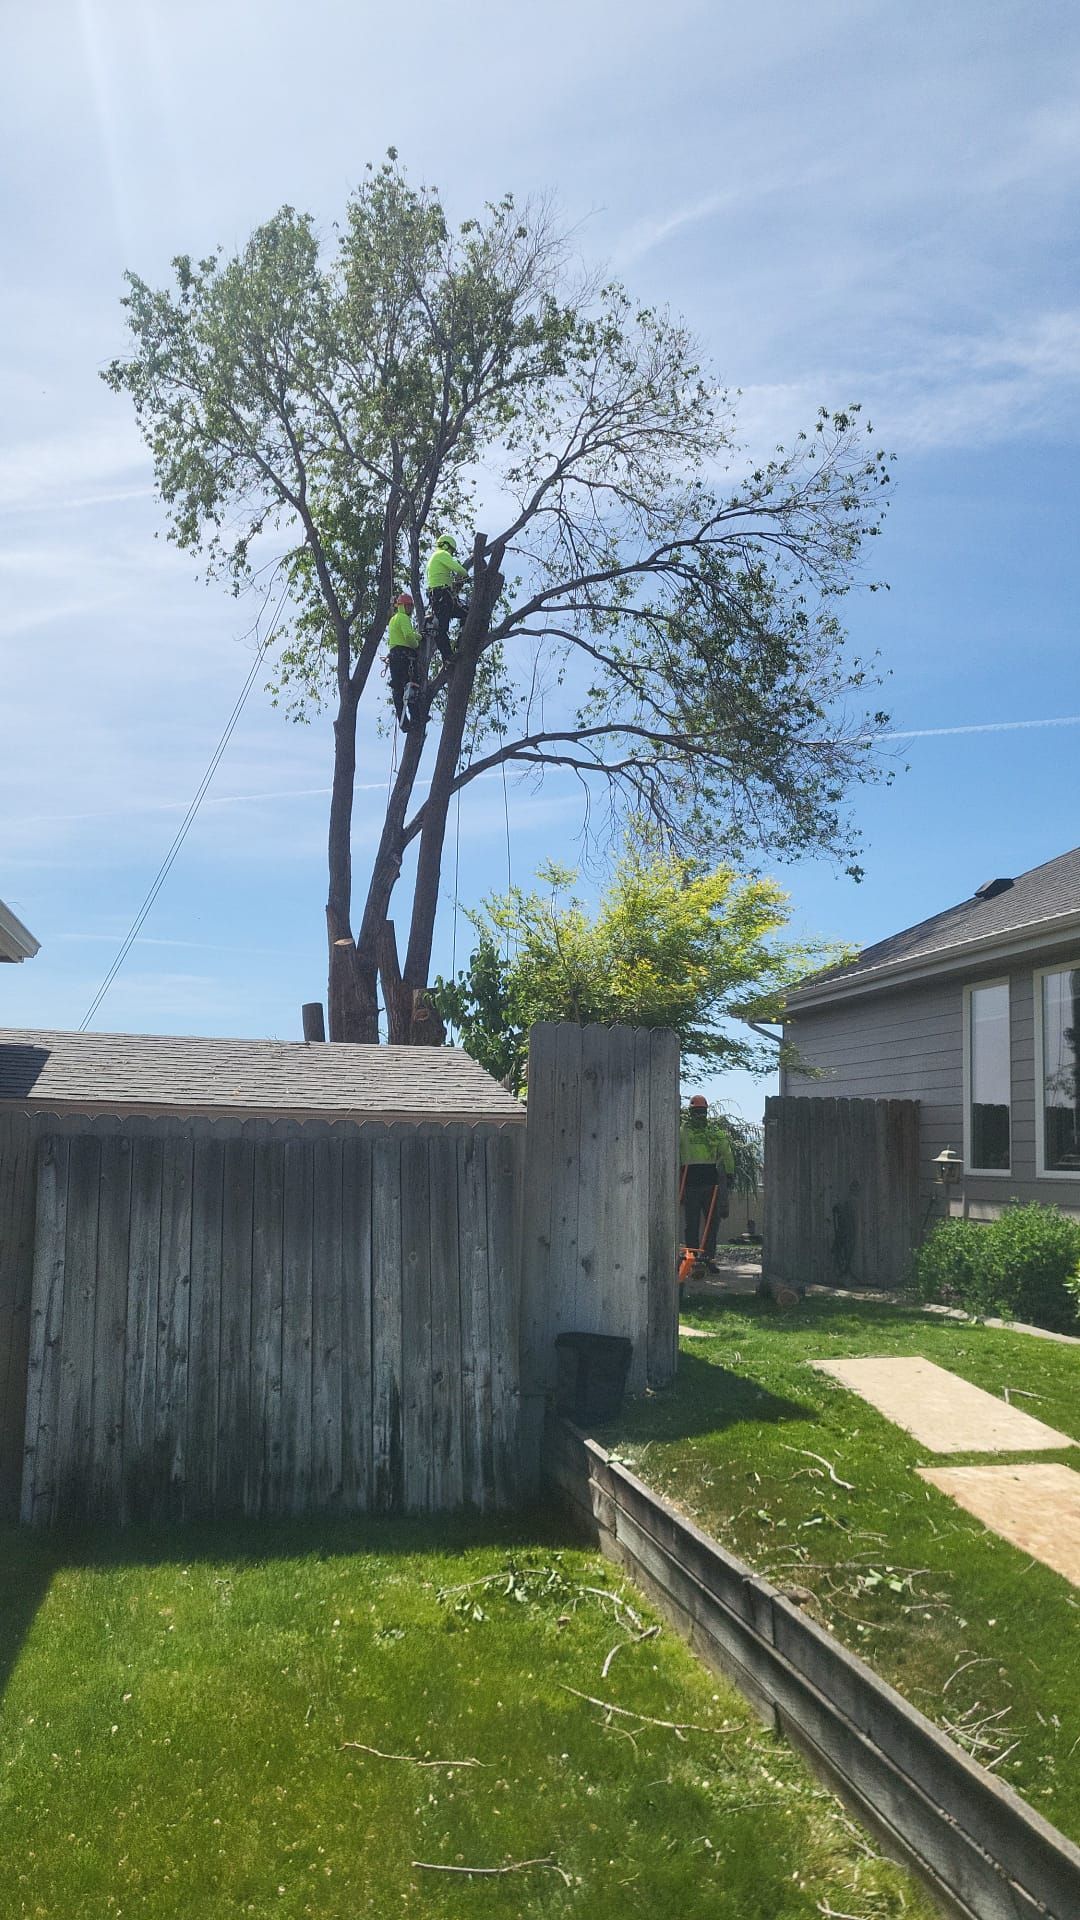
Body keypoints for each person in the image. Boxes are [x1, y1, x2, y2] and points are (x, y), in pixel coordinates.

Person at [679, 1094, 734, 1261]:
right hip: (710, 1183)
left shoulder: (682, 1131)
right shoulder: (714, 1131)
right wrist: (730, 1174)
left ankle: (693, 1257)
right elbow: (727, 1154)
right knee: (711, 1223)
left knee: (692, 1224)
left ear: (690, 1111)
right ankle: (707, 1257)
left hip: (691, 1183)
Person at [424, 533, 469, 662]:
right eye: (451, 550)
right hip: (442, 596)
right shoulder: (441, 554)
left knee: (466, 613)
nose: (451, 553)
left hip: (442, 597)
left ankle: (460, 641)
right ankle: (448, 656)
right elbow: (459, 569)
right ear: (446, 545)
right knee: (441, 629)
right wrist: (465, 575)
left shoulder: (433, 559)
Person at [386, 592, 422, 729]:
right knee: (412, 685)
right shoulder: (403, 618)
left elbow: (409, 634)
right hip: (405, 656)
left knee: (398, 688)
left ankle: (403, 720)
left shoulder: (393, 619)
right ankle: (416, 717)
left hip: (394, 656)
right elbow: (408, 636)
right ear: (406, 606)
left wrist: (418, 636)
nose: (411, 610)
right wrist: (416, 644)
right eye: (410, 607)